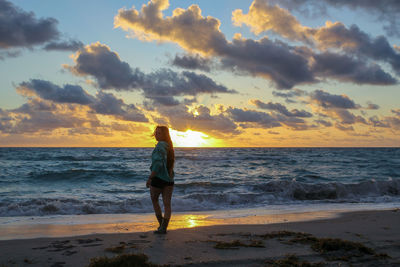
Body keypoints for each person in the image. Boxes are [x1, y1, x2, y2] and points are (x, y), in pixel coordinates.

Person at [146, 126, 175, 234]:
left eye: (159, 133)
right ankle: (163, 227)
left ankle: (161, 225)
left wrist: (150, 178)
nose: (156, 135)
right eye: (156, 133)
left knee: (154, 200)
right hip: (169, 179)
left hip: (158, 178)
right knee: (167, 204)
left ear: (164, 135)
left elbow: (157, 164)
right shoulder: (170, 147)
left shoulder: (160, 146)